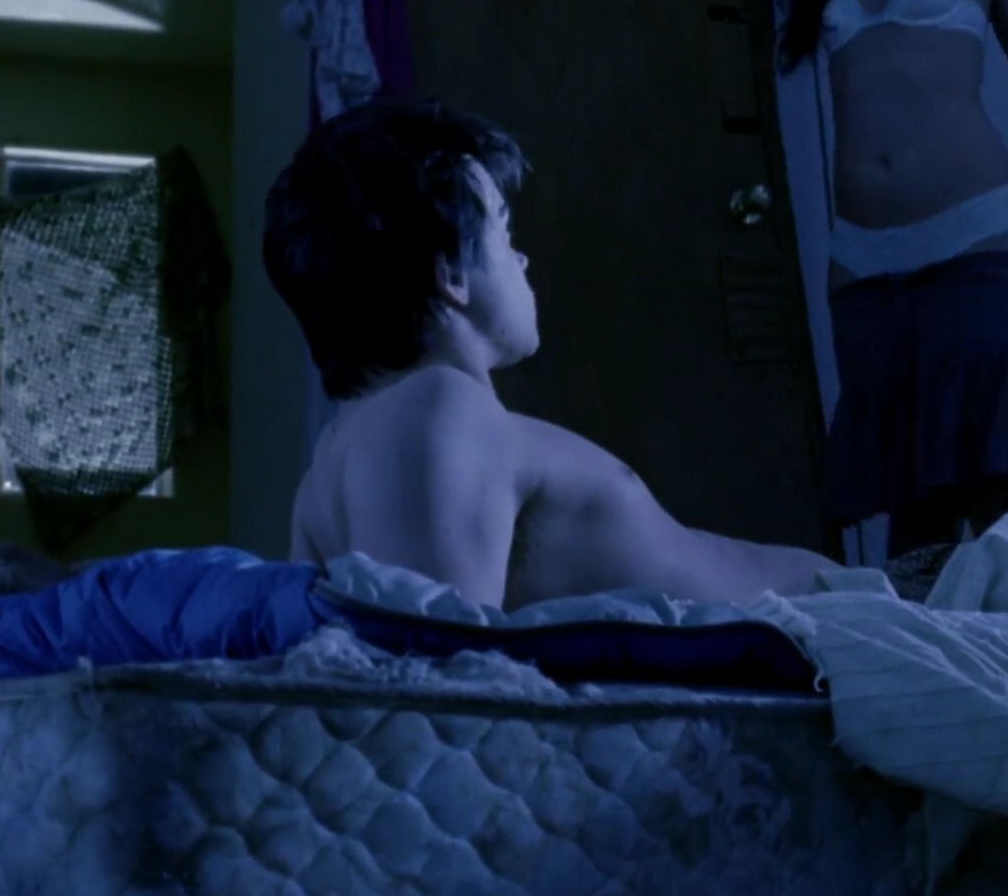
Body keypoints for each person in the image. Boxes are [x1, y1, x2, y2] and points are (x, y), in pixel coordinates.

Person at [264, 99, 839, 610]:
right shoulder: (435, 409)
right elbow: (438, 667)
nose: (522, 260)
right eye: (505, 232)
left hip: (835, 600)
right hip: (822, 628)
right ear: (452, 273)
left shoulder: (324, 469)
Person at [779, 0, 1008, 559]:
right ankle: (928, 625)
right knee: (915, 512)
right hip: (863, 266)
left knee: (1005, 503)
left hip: (976, 245)